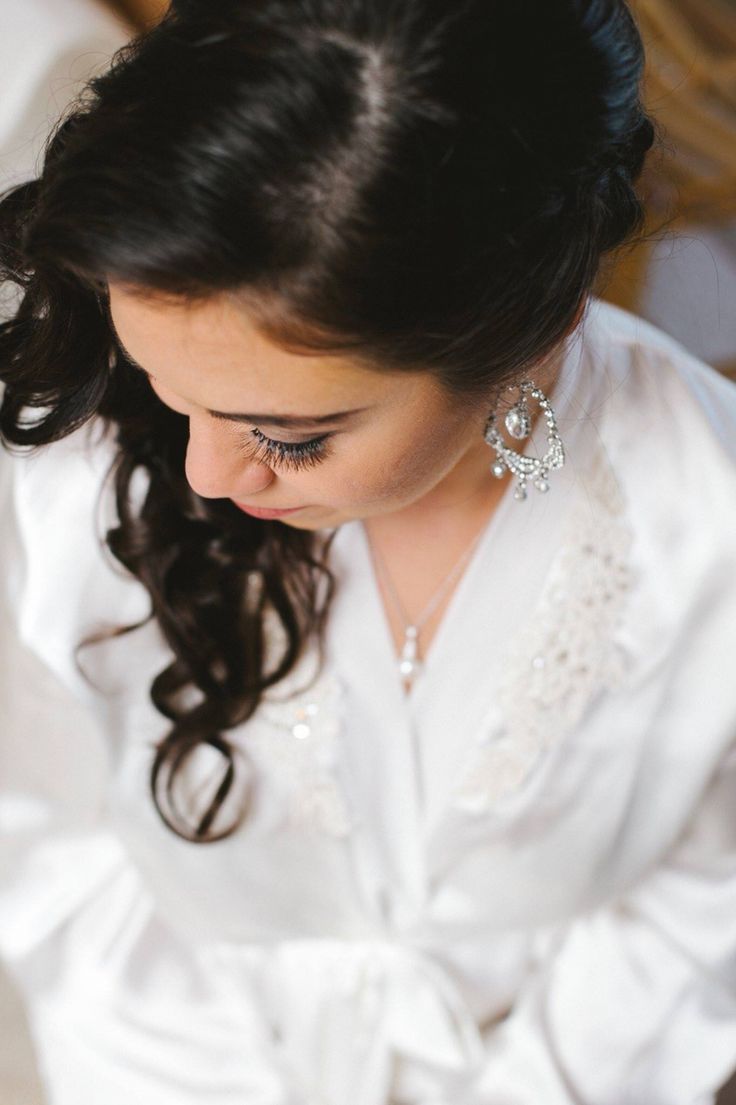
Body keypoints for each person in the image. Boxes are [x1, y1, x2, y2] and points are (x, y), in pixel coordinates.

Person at [0, 1, 735, 1102]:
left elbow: (698, 891)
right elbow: (51, 840)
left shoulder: (700, 515)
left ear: (523, 336)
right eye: (164, 386)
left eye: (285, 436)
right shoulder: (80, 456)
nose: (201, 474)